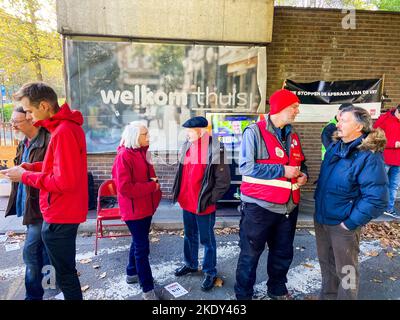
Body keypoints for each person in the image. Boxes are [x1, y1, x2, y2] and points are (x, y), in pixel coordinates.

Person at [1, 82, 88, 300]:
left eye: (29, 111)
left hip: (60, 214)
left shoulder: (64, 131)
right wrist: (28, 167)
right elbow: (57, 168)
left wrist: (25, 176)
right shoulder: (62, 129)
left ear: (44, 105)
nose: (28, 116)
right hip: (62, 212)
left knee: (66, 275)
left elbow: (63, 181)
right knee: (65, 272)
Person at [235, 89, 308, 300]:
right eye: (294, 107)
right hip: (259, 208)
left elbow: (300, 161)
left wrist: (304, 174)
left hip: (288, 207)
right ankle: (243, 295)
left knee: (282, 254)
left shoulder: (293, 134)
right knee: (250, 255)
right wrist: (282, 171)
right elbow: (246, 168)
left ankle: (276, 289)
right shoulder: (254, 132)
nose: (297, 111)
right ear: (280, 108)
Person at [314, 105, 388, 300]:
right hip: (323, 219)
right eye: (339, 120)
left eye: (344, 120)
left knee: (346, 271)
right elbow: (328, 131)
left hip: (343, 224)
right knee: (327, 266)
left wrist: (350, 223)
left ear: (359, 126)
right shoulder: (336, 146)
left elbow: (377, 198)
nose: (338, 124)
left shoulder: (368, 155)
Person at [172, 116, 231, 291]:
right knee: (189, 235)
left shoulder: (216, 148)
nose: (186, 134)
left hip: (203, 204)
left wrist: (210, 199)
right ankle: (190, 264)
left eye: (189, 131)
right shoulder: (187, 145)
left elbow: (223, 181)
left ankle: (210, 272)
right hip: (187, 201)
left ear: (200, 132)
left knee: (207, 240)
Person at [111, 122, 162, 300]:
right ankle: (147, 288)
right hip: (134, 211)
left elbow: (147, 176)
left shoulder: (142, 152)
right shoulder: (123, 156)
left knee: (138, 241)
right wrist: (151, 186)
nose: (148, 137)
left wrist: (153, 182)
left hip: (145, 207)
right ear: (134, 136)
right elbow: (125, 188)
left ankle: (131, 273)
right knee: (142, 248)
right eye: (144, 134)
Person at [5, 106, 50, 300]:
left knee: (31, 252)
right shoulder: (24, 141)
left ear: (31, 120)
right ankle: (51, 282)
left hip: (41, 207)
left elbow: (51, 175)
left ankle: (33, 296)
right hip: (28, 204)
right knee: (46, 248)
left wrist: (24, 173)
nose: (12, 124)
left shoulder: (48, 141)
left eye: (16, 121)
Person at [373, 104, 400, 219]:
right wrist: (393, 144)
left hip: (398, 161)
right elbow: (375, 137)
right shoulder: (384, 119)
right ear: (398, 111)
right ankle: (373, 207)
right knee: (379, 184)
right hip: (385, 158)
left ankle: (389, 208)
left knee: (394, 186)